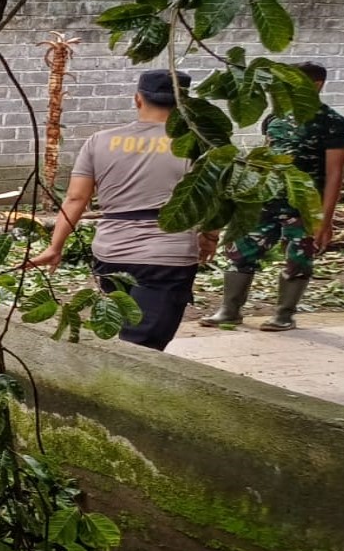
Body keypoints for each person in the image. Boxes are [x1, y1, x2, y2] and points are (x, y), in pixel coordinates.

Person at [28, 69, 218, 351]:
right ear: (184, 102)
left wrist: (55, 246)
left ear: (137, 99)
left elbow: (75, 199)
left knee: (122, 332)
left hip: (111, 254)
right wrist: (209, 238)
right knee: (143, 347)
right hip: (168, 256)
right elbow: (213, 200)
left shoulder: (100, 141)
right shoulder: (200, 144)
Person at [201, 62, 344, 331]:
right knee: (239, 250)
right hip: (265, 200)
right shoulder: (274, 119)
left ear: (315, 85)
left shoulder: (334, 123)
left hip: (304, 205)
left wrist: (324, 221)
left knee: (299, 258)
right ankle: (229, 310)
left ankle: (284, 314)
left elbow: (335, 174)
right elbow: (267, 155)